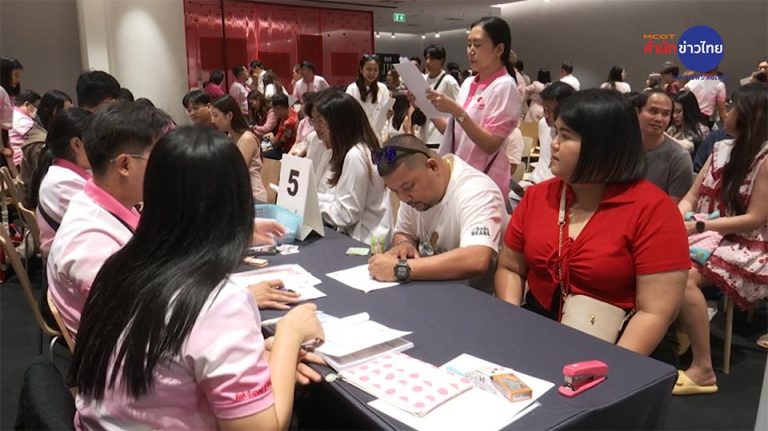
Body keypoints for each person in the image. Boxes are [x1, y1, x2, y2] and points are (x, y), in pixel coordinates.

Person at [71, 125, 325, 429]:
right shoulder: (217, 304)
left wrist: (274, 355)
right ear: (238, 204)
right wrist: (290, 334)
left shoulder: (119, 266)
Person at [496, 89, 690, 356]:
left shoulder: (655, 211)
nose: (554, 144)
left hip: (620, 344)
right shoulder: (538, 196)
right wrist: (512, 322)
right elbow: (510, 267)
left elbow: (655, 312)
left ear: (602, 145)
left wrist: (610, 367)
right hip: (539, 329)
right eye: (556, 133)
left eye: (566, 136)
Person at [673, 82, 768, 396]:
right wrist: (677, 218)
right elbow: (691, 196)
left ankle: (703, 368)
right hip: (705, 232)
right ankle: (679, 332)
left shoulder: (764, 159)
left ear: (750, 114)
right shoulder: (719, 148)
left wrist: (701, 226)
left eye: (733, 105)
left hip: (743, 242)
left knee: (683, 277)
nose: (726, 110)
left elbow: (755, 219)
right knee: (653, 258)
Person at [47, 102, 173, 338]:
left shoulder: (103, 202)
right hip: (127, 349)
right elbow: (144, 318)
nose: (168, 170)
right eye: (161, 160)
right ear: (125, 164)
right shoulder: (90, 242)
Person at [367, 134, 505, 283]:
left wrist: (401, 269)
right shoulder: (412, 195)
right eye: (395, 191)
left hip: (472, 293)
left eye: (408, 187)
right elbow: (404, 232)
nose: (403, 198)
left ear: (433, 166)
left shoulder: (477, 191)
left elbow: (477, 259)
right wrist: (404, 244)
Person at [420, 16, 521, 200]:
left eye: (478, 45)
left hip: (484, 183)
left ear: (499, 49)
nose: (471, 50)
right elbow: (453, 133)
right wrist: (425, 105)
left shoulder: (505, 86)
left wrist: (456, 111)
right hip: (458, 178)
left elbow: (490, 144)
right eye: (469, 44)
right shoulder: (468, 83)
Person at [312, 89, 391, 245]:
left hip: (365, 242)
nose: (316, 127)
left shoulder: (355, 155)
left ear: (339, 123)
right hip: (363, 237)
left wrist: (311, 205)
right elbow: (341, 200)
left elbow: (347, 214)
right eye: (313, 120)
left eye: (321, 121)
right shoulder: (356, 150)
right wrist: (312, 198)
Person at [27, 108, 93, 255]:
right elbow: (103, 222)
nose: (101, 149)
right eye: (96, 141)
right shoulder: (63, 184)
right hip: (71, 260)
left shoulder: (62, 173)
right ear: (77, 144)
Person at [632, 89, 693, 203]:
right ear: (637, 112)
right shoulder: (621, 148)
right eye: (653, 111)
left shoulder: (679, 157)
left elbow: (674, 207)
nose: (659, 119)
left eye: (665, 114)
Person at [211, 95, 267, 202]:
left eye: (216, 115)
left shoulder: (247, 139)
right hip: (239, 195)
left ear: (229, 115)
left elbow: (236, 172)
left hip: (253, 197)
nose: (213, 120)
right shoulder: (230, 137)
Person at [417, 45, 460, 147]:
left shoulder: (449, 81)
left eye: (432, 59)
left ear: (441, 60)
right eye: (427, 58)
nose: (428, 62)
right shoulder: (423, 80)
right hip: (423, 134)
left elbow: (459, 106)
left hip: (440, 135)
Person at [346, 55, 392, 142]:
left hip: (378, 136)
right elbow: (347, 115)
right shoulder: (352, 88)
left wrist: (388, 114)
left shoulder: (382, 88)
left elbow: (385, 115)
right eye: (369, 69)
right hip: (357, 136)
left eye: (375, 70)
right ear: (361, 70)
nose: (372, 73)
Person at [10, 89, 41, 167]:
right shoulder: (19, 118)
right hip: (21, 162)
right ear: (27, 104)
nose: (38, 110)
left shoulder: (16, 114)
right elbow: (38, 135)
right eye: (37, 106)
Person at [262, 94, 298, 160]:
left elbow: (275, 143)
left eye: (274, 110)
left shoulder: (288, 122)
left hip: (286, 150)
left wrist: (271, 135)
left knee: (261, 154)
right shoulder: (291, 110)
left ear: (279, 108)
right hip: (282, 144)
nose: (273, 113)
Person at [0, 56, 23, 162]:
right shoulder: (1, 91)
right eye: (15, 75)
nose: (18, 80)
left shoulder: (6, 93)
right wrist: (2, 148)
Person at [289, 91, 317, 158]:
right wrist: (289, 155)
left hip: (310, 155)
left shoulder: (318, 124)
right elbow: (297, 142)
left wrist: (298, 156)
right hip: (298, 152)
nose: (301, 106)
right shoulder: (303, 122)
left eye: (302, 103)